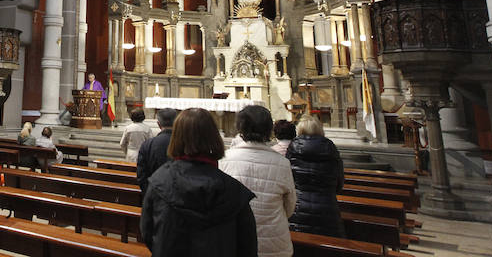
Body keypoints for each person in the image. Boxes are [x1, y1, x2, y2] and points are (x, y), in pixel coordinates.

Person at [140, 108, 257, 256]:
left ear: (177, 137)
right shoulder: (234, 190)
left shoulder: (159, 181)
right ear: (213, 137)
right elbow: (247, 247)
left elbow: (148, 233)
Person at [220, 106, 296, 257]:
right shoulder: (282, 163)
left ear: (240, 128)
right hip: (274, 244)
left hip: (237, 241)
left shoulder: (224, 160)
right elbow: (290, 207)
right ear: (269, 130)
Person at [286, 115, 345, 237]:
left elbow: (287, 181)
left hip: (298, 209)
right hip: (327, 209)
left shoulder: (292, 149)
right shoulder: (331, 150)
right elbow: (339, 184)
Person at [136, 108, 177, 193]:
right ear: (177, 123)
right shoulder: (185, 143)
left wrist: (150, 195)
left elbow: (141, 176)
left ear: (159, 124)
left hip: (154, 194)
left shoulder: (147, 145)